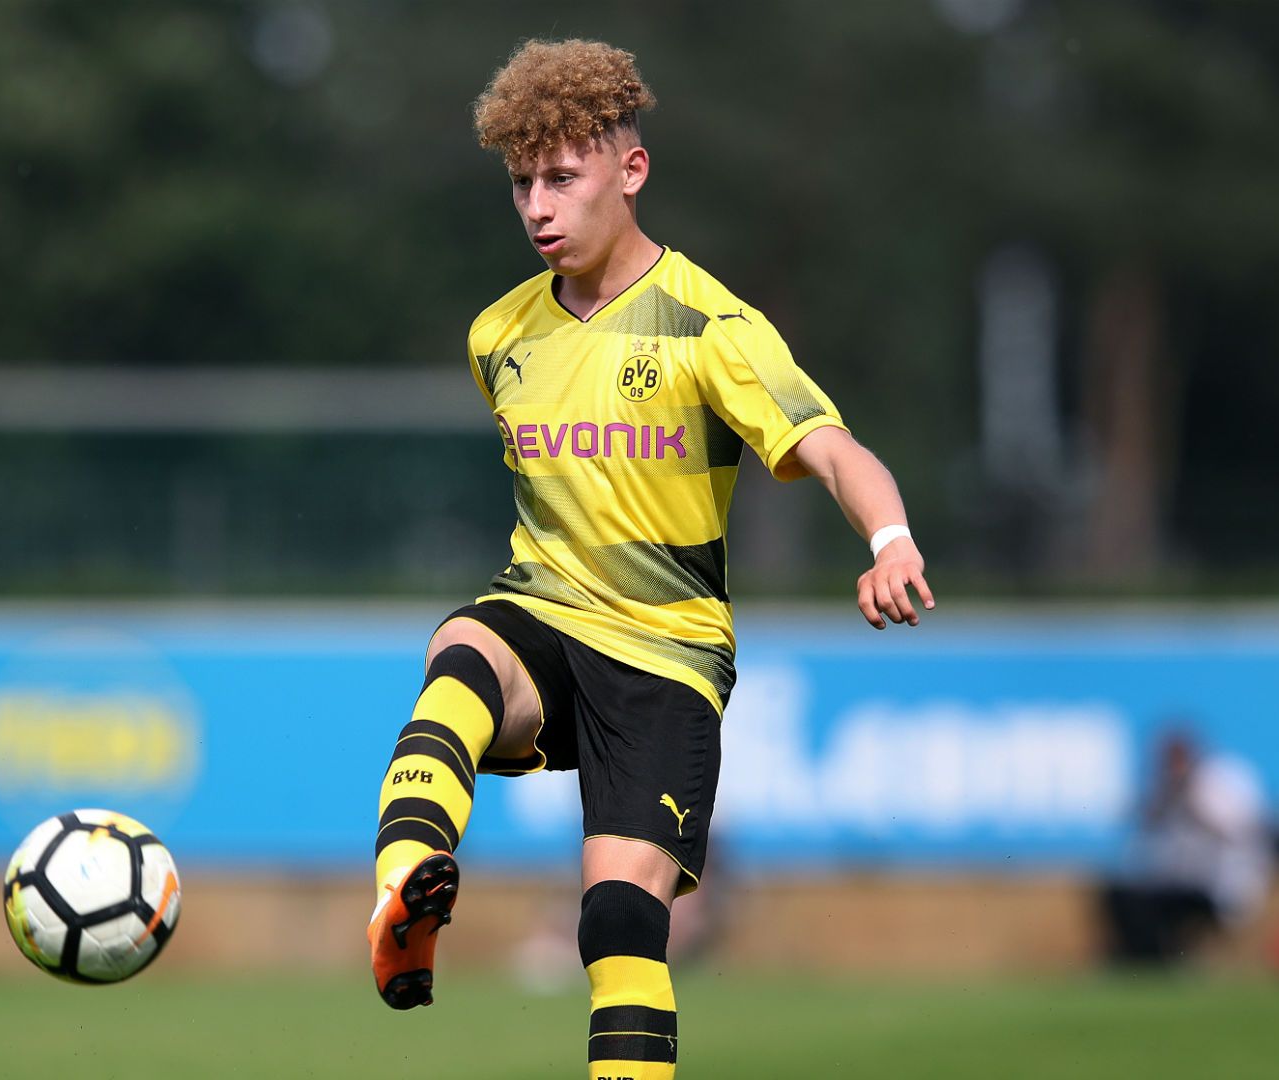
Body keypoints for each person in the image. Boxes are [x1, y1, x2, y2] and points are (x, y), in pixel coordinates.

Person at [365, 39, 933, 1079]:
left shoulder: (712, 327)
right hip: (544, 611)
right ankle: (408, 881)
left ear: (630, 173)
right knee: (462, 649)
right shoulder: (501, 336)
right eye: (522, 183)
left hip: (666, 659)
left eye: (562, 178)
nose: (538, 205)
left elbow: (834, 449)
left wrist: (888, 540)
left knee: (620, 924)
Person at [1099, 729, 1270, 967]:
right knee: (1122, 895)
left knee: (1165, 902)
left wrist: (1193, 796)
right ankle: (1143, 958)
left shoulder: (1221, 782)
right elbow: (1140, 825)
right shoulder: (1165, 787)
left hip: (1215, 883)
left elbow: (1237, 833)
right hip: (1175, 881)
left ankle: (1161, 958)